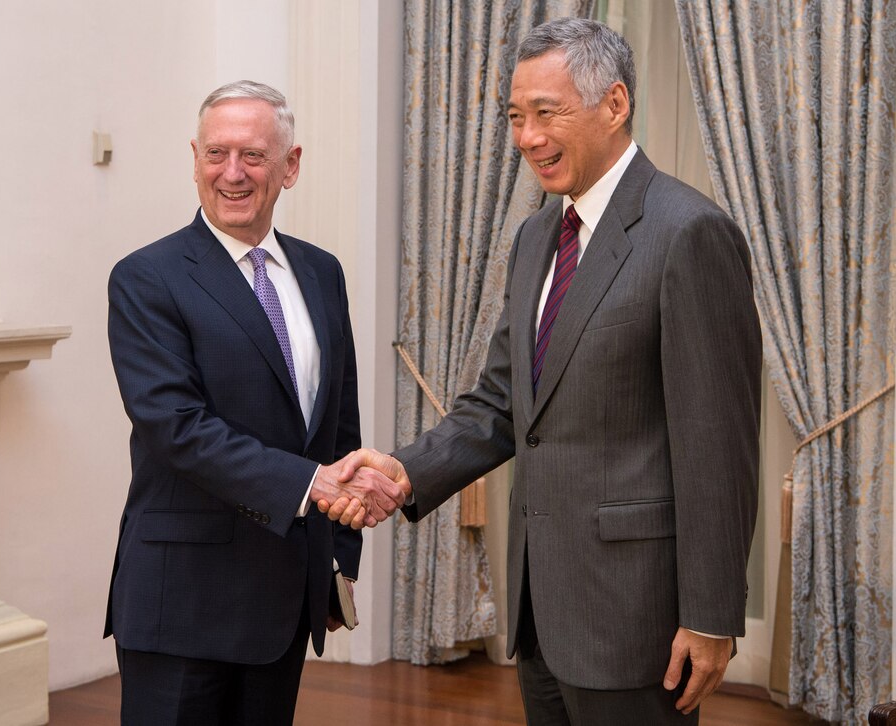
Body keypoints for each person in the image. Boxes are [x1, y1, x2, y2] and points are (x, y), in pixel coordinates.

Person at [326, 18, 761, 725]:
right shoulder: (535, 238)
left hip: (636, 618)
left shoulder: (689, 233)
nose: (525, 137)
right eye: (514, 117)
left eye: (545, 113)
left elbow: (719, 446)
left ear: (614, 105)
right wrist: (402, 472)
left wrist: (712, 616)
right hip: (539, 613)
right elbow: (501, 401)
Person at [105, 80, 404, 726]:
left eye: (253, 155)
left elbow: (339, 425)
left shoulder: (322, 272)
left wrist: (335, 562)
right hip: (181, 608)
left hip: (281, 608)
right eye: (216, 154)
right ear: (194, 159)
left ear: (290, 165)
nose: (232, 173)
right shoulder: (146, 278)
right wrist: (314, 484)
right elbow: (176, 428)